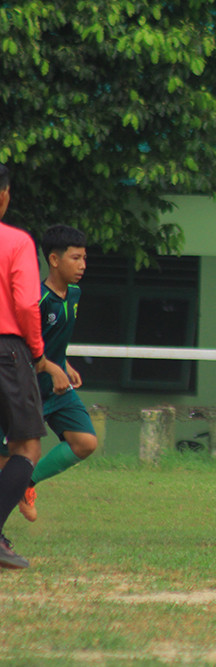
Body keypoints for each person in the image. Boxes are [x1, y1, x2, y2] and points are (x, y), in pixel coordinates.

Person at [0, 224, 98, 523]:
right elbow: (24, 345)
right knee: (8, 461)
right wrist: (51, 365)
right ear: (54, 260)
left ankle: (27, 484)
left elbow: (53, 339)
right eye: (75, 258)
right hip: (25, 386)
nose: (82, 265)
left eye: (84, 258)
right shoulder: (38, 299)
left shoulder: (75, 294)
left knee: (85, 442)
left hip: (55, 386)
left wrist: (63, 363)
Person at [0, 163, 49, 569]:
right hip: (7, 350)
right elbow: (26, 304)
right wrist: (37, 352)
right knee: (27, 446)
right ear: (4, 195)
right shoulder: (15, 242)